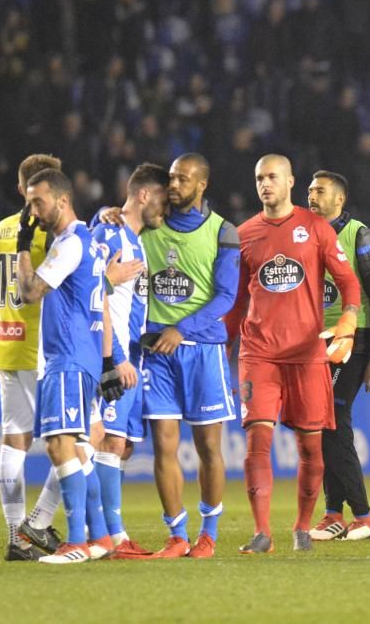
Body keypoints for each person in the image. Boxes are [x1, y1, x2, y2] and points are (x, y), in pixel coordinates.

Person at [225, 156, 361, 553]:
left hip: (306, 354)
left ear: (289, 181)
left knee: (311, 447)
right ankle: (262, 532)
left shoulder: (315, 228)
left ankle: (302, 527)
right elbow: (235, 301)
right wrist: (225, 344)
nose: (265, 184)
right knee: (258, 442)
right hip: (259, 353)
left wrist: (348, 323)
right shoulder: (245, 234)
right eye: (259, 179)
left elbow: (349, 282)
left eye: (272, 177)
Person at [139, 153, 239, 559]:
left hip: (203, 350)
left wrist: (182, 330)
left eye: (182, 179)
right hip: (157, 353)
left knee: (208, 447)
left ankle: (209, 533)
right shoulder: (147, 228)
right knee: (163, 445)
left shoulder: (222, 231)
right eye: (171, 178)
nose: (174, 185)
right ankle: (177, 535)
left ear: (202, 185)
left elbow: (227, 297)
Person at [15, 168, 116, 563]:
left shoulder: (70, 244)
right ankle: (102, 537)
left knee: (60, 447)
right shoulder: (88, 243)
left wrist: (24, 245)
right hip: (82, 357)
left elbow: (29, 292)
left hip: (67, 357)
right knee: (78, 449)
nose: (33, 211)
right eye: (28, 203)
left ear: (62, 200)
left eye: (38, 201)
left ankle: (76, 541)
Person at [306, 170, 370, 542]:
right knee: (322, 426)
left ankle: (363, 516)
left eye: (319, 190)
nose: (311, 195)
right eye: (309, 189)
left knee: (333, 422)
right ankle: (332, 514)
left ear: (339, 198)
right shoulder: (304, 233)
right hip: (314, 343)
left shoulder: (360, 235)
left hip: (353, 341)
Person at [89, 163, 167, 558]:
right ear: (143, 195)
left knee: (122, 446)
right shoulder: (109, 231)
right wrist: (114, 358)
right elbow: (91, 293)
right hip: (114, 357)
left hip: (136, 357)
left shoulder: (136, 239)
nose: (165, 210)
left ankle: (99, 531)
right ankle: (111, 536)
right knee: (106, 440)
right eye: (162, 201)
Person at [0, 154, 64, 561]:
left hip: (7, 340)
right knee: (82, 440)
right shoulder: (44, 230)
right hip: (40, 347)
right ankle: (38, 521)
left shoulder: (0, 228)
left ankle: (16, 535)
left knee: (13, 442)